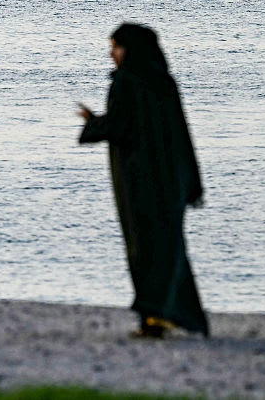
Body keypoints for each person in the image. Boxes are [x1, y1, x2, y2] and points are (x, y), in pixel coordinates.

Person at [77, 23, 209, 338]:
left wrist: (92, 122)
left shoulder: (126, 82)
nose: (112, 54)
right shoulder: (164, 83)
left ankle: (154, 318)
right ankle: (175, 315)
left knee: (145, 247)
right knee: (170, 248)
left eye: (117, 47)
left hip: (140, 181)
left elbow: (121, 126)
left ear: (130, 49)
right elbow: (182, 133)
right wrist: (193, 181)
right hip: (172, 180)